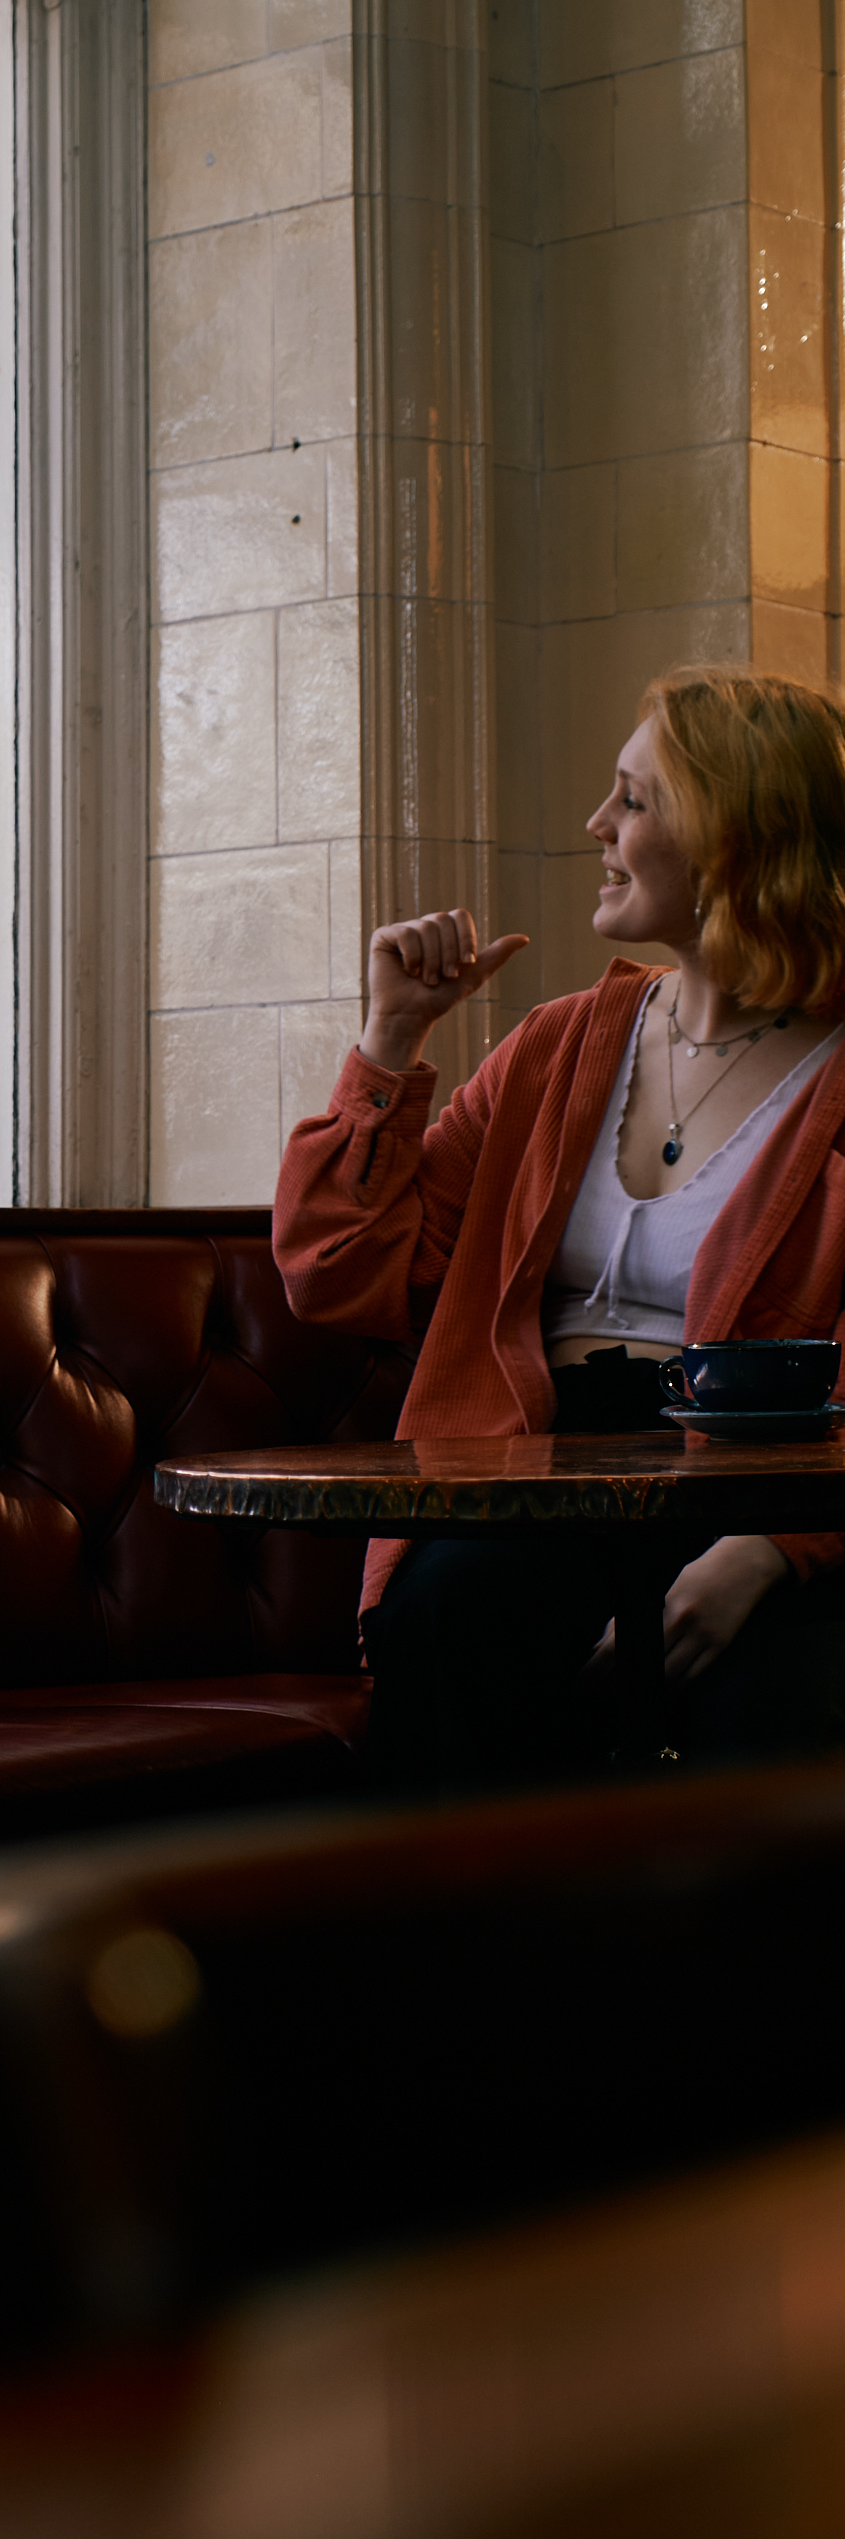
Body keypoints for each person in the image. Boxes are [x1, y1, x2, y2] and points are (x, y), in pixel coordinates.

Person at [274, 663, 845, 1789]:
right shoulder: (554, 1046)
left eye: (633, 800)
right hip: (532, 1477)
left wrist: (772, 1552)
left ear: (737, 836)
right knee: (451, 1615)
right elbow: (335, 1277)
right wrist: (390, 1043)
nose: (596, 824)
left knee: (767, 1698)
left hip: (762, 1491)